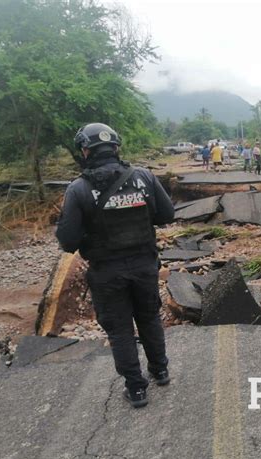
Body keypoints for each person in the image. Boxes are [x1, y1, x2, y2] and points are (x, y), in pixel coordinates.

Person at [56, 123, 175, 408]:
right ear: (116, 148)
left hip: (107, 271)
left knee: (120, 328)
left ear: (85, 151)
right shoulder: (143, 177)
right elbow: (167, 214)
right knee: (149, 317)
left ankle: (136, 389)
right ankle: (160, 370)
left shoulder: (78, 189)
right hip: (145, 266)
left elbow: (67, 241)